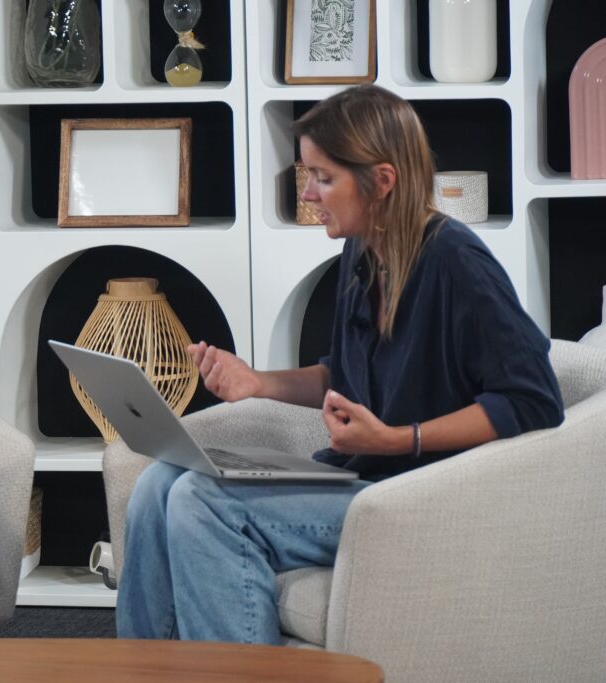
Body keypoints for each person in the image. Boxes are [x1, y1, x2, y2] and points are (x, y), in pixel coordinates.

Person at [116, 85, 564, 644]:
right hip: (359, 476)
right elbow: (344, 375)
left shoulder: (457, 262)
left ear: (382, 180)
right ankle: (145, 670)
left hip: (416, 495)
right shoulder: (363, 251)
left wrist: (398, 439)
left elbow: (533, 401)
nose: (308, 194)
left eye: (323, 178)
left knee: (203, 503)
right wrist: (258, 382)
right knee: (159, 482)